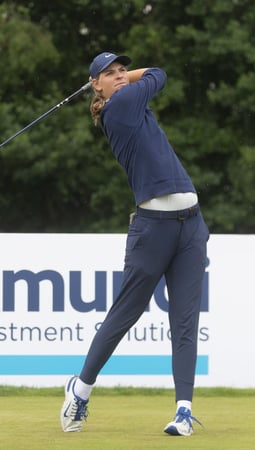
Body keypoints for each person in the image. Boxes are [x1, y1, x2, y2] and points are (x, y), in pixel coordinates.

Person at [60, 52, 210, 436]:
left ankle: (183, 411)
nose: (121, 76)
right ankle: (80, 389)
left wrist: (120, 76)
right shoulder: (121, 104)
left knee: (185, 320)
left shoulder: (130, 101)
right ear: (96, 86)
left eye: (123, 70)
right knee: (125, 313)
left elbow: (149, 77)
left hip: (191, 225)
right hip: (153, 229)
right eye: (110, 74)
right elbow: (160, 72)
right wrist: (131, 78)